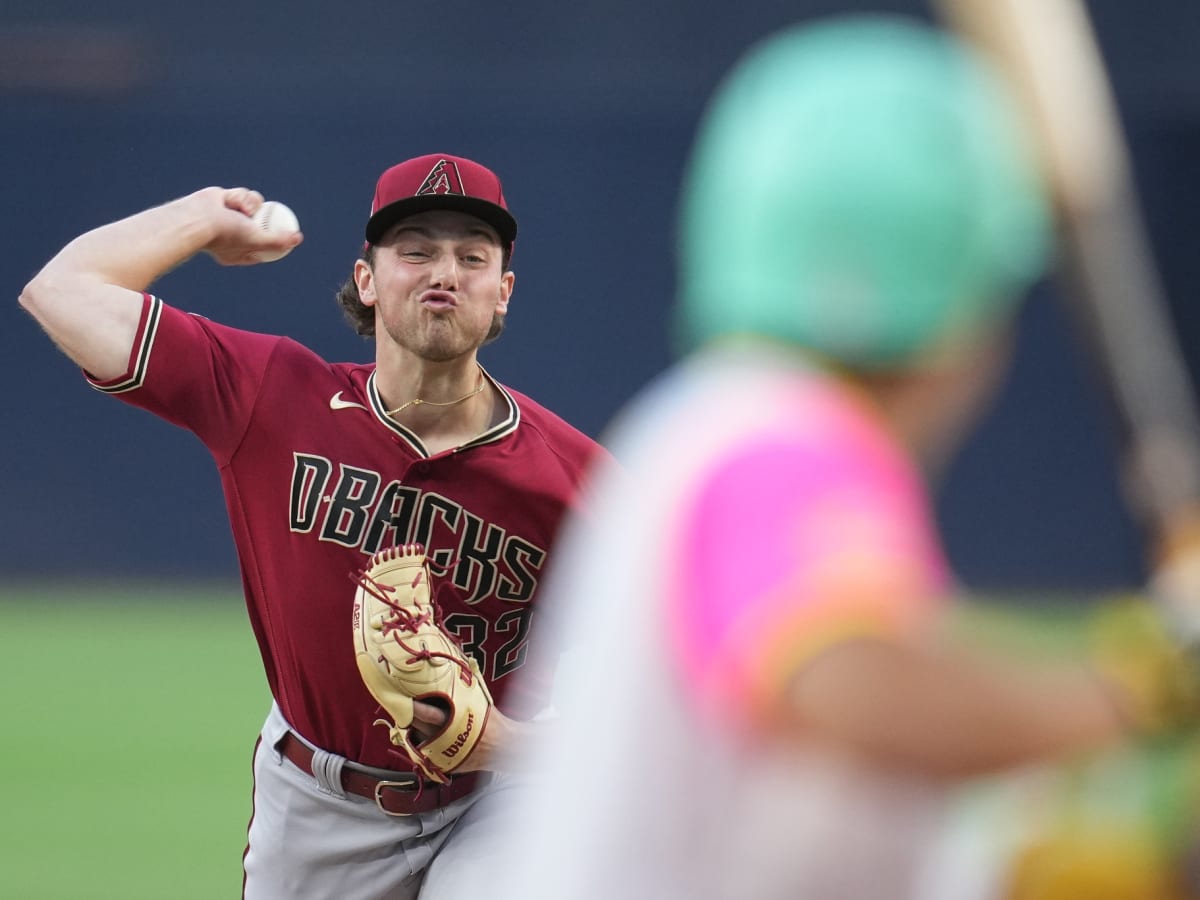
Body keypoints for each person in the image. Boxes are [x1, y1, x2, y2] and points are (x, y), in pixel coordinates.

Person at [458, 15, 1200, 900]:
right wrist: (1142, 685)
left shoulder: (728, 432)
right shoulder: (782, 438)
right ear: (975, 314)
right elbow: (841, 685)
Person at [18, 152, 607, 899]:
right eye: (416, 250)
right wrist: (200, 217)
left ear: (502, 295)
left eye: (472, 256)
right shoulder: (271, 397)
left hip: (497, 803)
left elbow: (682, 698)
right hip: (318, 803)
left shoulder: (576, 481)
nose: (445, 272)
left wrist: (511, 747)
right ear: (368, 279)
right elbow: (60, 291)